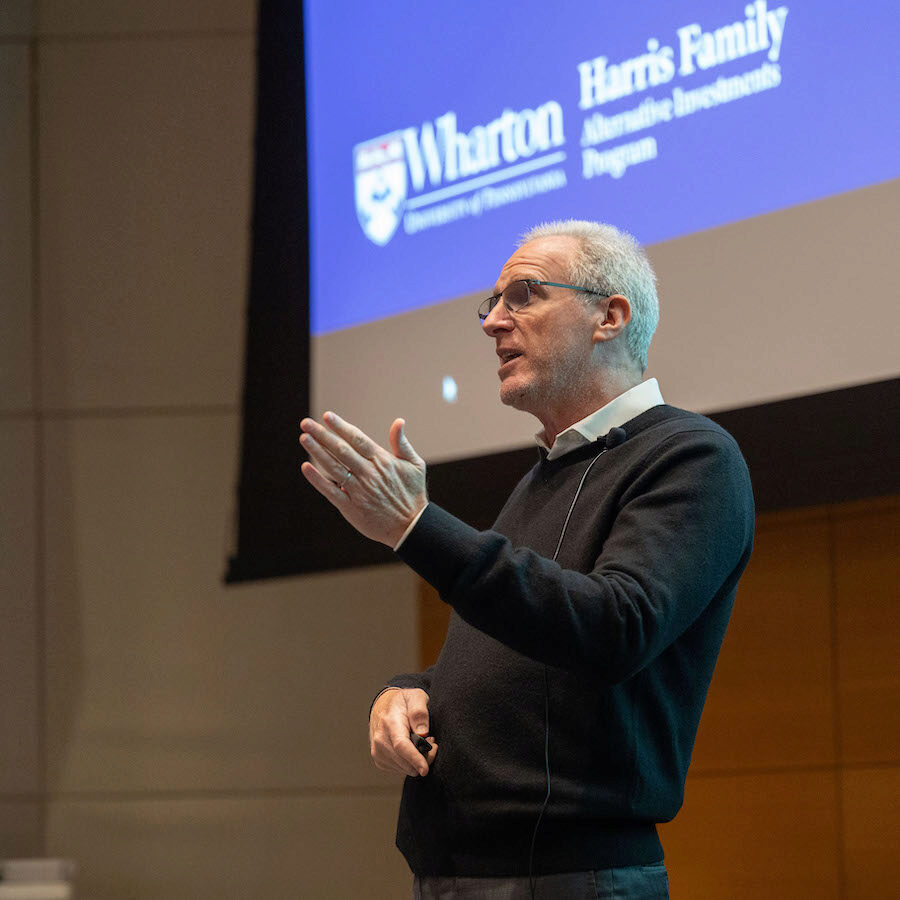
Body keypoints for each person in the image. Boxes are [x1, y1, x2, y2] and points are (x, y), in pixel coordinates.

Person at [299, 221, 754, 899]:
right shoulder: (545, 474)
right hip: (457, 872)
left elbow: (613, 628)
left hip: (567, 877)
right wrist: (412, 690)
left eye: (525, 295)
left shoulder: (691, 457)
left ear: (611, 315)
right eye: (493, 302)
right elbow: (516, 646)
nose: (492, 324)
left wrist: (416, 527)